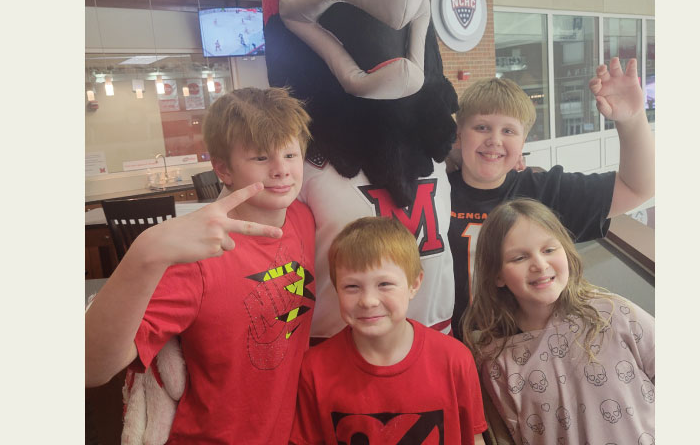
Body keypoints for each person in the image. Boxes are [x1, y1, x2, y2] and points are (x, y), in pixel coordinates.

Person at [85, 87, 316, 445]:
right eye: (261, 157)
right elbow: (90, 367)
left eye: (290, 154)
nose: (281, 170)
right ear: (223, 169)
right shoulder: (195, 259)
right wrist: (146, 251)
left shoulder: (303, 218)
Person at [449, 57, 654, 339]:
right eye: (481, 127)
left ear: (523, 142)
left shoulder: (544, 191)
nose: (495, 140)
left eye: (508, 131)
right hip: (448, 351)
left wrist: (632, 119)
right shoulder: (431, 191)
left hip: (529, 353)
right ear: (459, 134)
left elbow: (637, 187)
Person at [462, 198, 654, 444]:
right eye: (519, 258)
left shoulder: (616, 315)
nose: (540, 265)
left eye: (549, 250)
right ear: (497, 275)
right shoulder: (495, 361)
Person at [290, 217, 488, 445]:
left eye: (384, 284)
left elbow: (474, 437)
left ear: (414, 284)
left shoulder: (455, 360)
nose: (368, 301)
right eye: (352, 286)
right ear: (336, 289)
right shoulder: (314, 369)